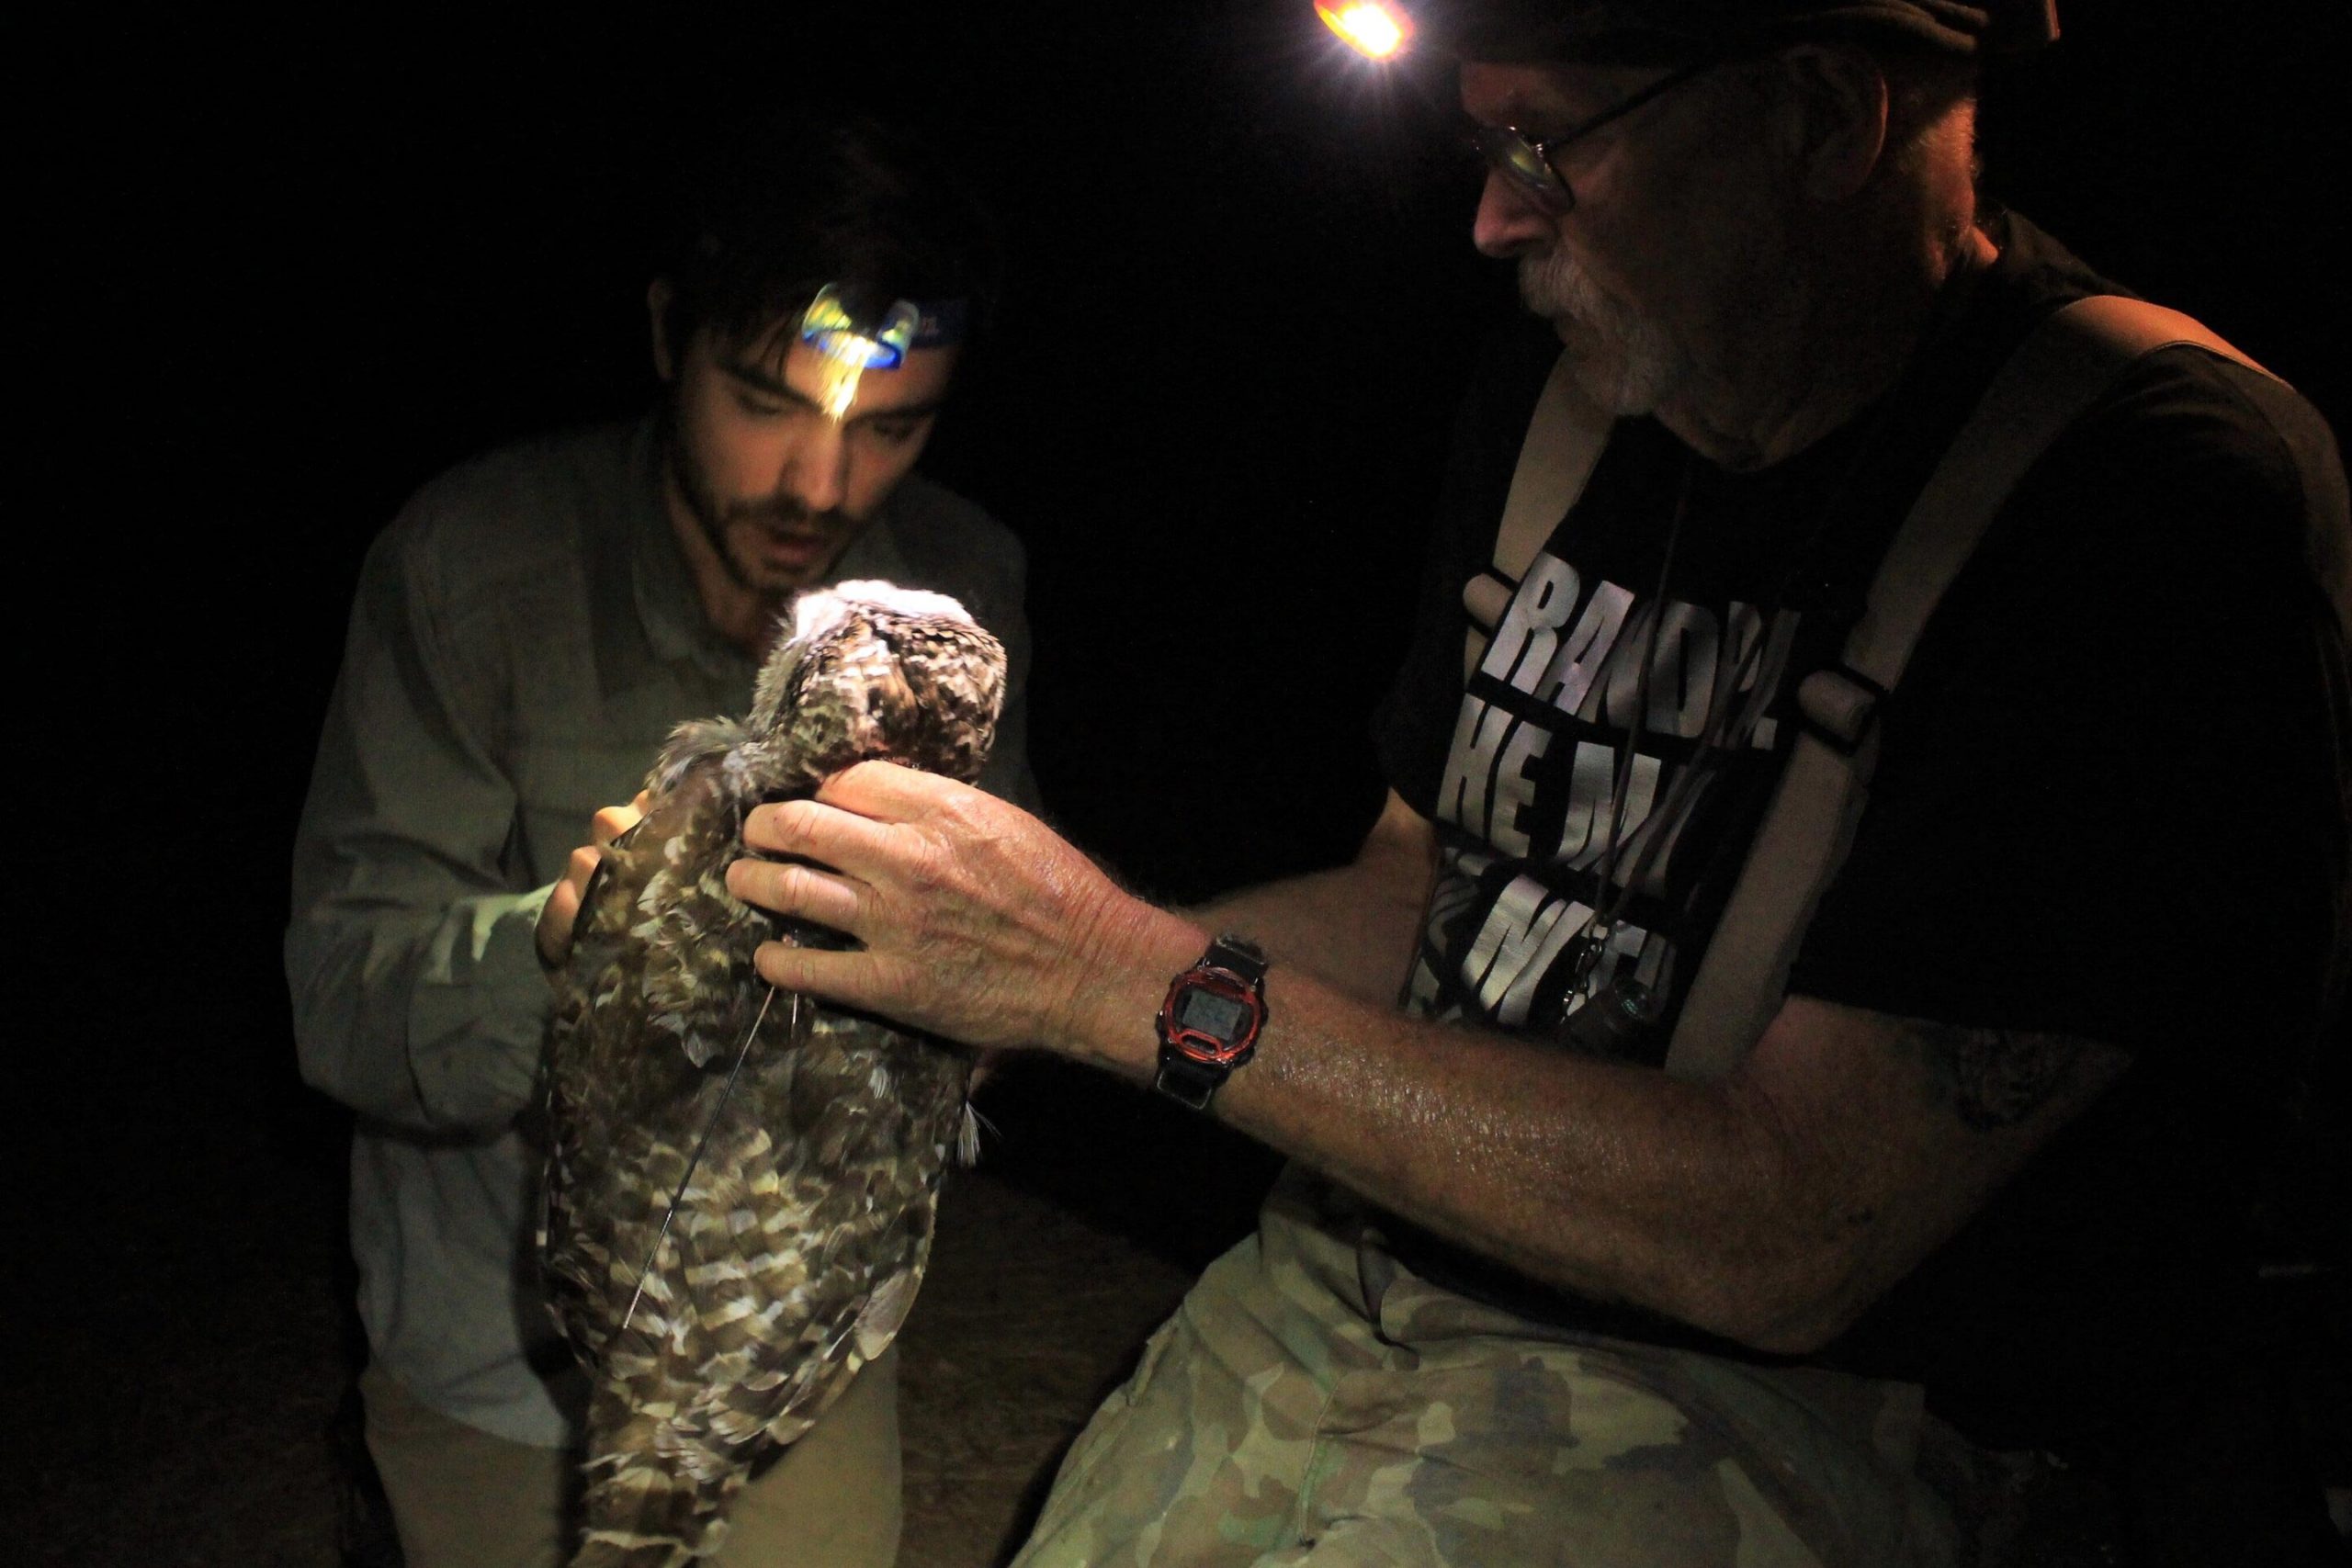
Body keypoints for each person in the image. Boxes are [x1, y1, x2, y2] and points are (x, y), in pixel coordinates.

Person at [719, 4, 2347, 1564]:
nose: (1494, 222)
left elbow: (1796, 1231)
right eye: (1480, 141)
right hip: (1367, 1264)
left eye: (1547, 144)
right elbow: (1420, 885)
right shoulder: (1584, 391)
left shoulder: (2142, 499)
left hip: (1791, 1397)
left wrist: (1099, 971)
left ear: (1822, 115)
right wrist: (993, 993)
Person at [286, 110, 1037, 1568]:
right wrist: (571, 945)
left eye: (889, 426)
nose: (821, 488)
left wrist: (974, 997)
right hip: (498, 1361)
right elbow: (342, 999)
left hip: (792, 1343)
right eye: (766, 398)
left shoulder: (961, 585)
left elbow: (996, 993)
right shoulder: (466, 567)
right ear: (664, 336)